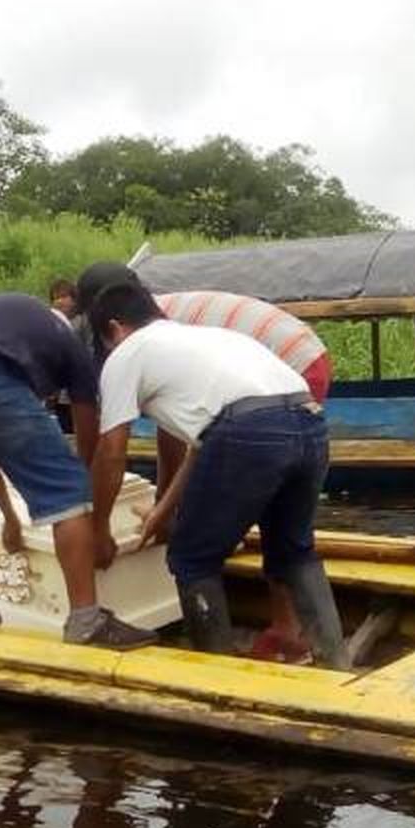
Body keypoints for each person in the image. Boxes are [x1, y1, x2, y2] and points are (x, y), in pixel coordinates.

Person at [79, 271, 344, 665]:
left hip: (248, 431)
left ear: (115, 328)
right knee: (294, 552)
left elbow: (111, 452)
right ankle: (336, 663)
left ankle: (215, 672)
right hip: (309, 422)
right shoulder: (210, 337)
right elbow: (202, 448)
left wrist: (98, 529)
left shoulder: (127, 352)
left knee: (191, 559)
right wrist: (163, 513)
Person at [0, 291, 157, 649]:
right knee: (67, 493)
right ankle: (87, 621)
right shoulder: (70, 344)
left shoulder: (4, 324)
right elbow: (88, 437)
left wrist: (10, 516)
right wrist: (91, 512)